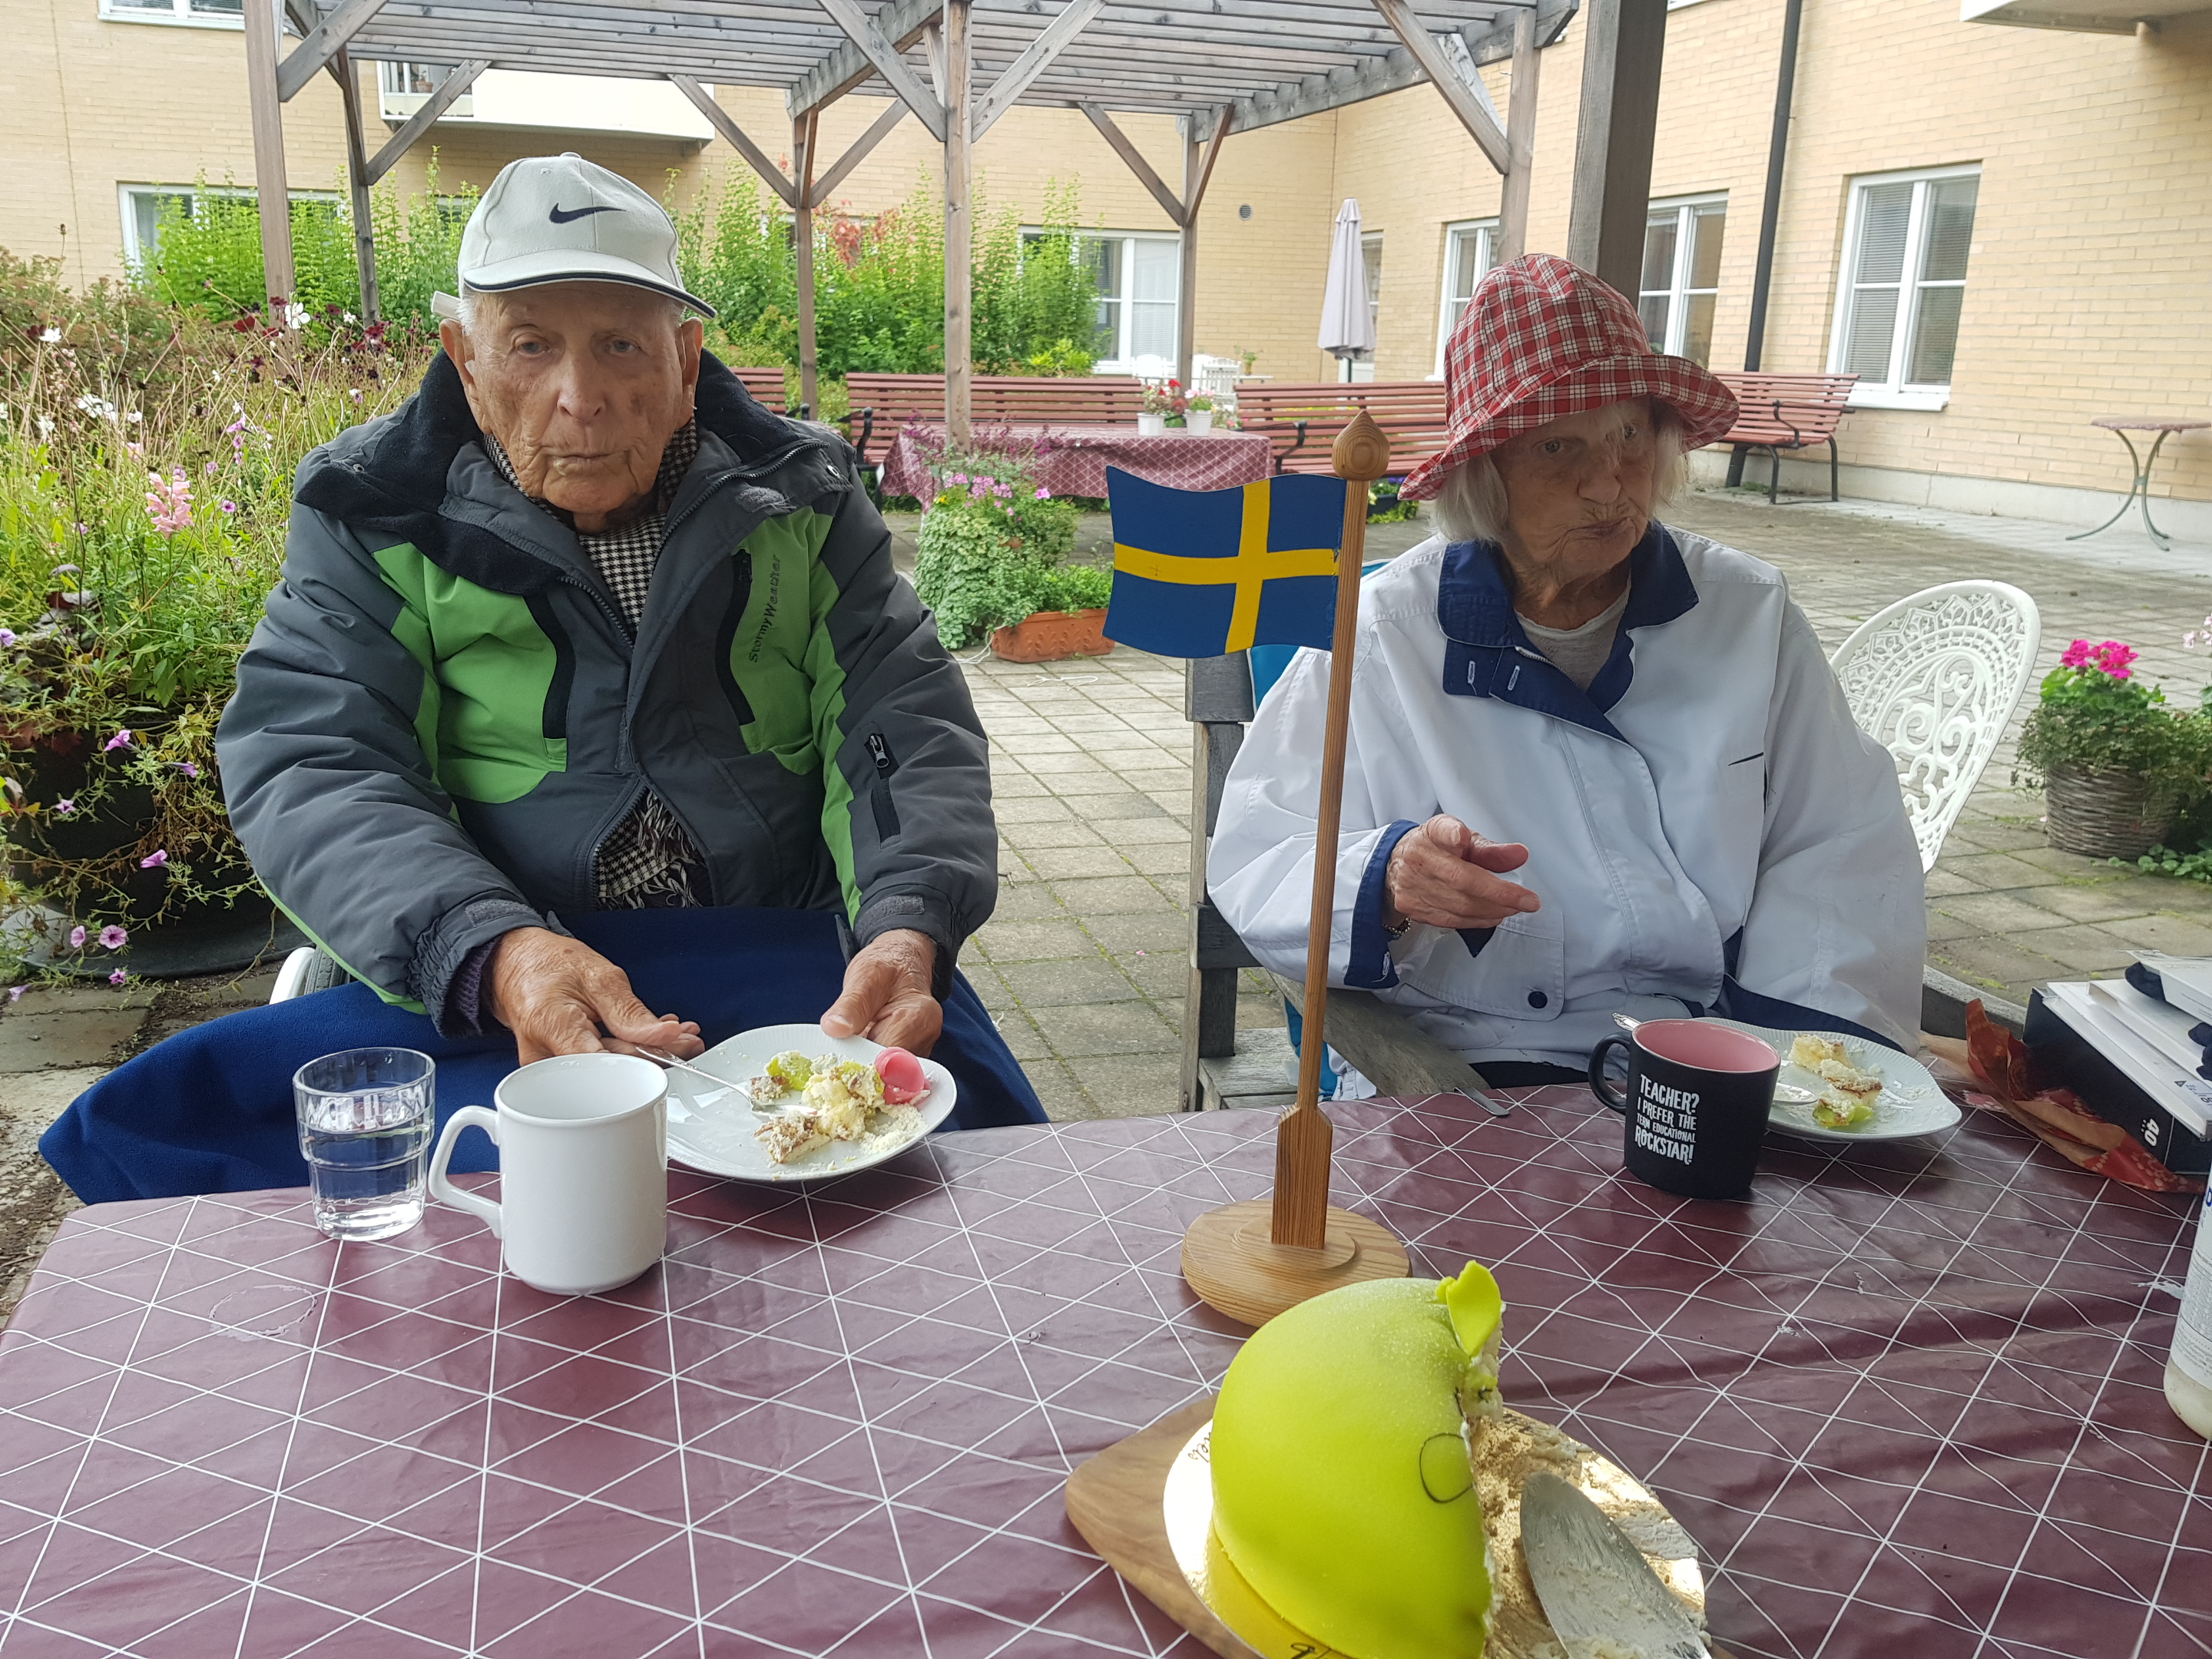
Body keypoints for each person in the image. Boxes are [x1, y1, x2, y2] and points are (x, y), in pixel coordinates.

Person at [42, 153, 1039, 1202]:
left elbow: (899, 711)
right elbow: (315, 756)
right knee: (222, 1146)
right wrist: (493, 948)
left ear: (686, 359)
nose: (581, 399)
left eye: (621, 344)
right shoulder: (373, 508)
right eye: (529, 345)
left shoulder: (802, 494)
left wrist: (908, 917)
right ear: (465, 362)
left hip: (786, 964)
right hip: (501, 972)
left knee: (964, 1173)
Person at [1207, 254, 1925, 1084]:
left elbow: (1839, 842)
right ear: (1486, 474)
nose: (1608, 485)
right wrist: (1388, 877)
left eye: (1629, 437)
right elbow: (1262, 851)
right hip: (1471, 1056)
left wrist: (1804, 1057)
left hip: (1712, 1044)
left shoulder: (1748, 613)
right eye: (1558, 446)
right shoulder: (1382, 630)